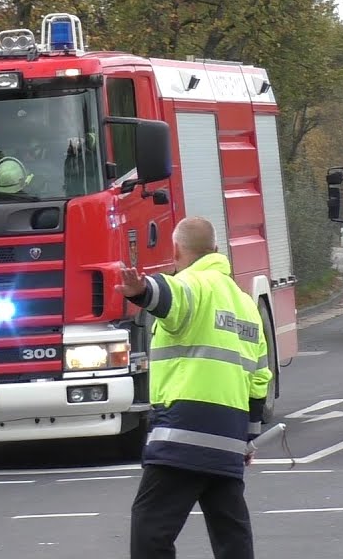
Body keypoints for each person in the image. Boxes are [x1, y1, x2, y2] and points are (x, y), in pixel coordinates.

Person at [117, 216, 272, 559]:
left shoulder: (194, 285)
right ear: (216, 250)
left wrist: (141, 291)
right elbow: (260, 377)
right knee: (231, 535)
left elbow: (168, 295)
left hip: (183, 436)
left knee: (150, 531)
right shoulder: (245, 304)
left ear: (175, 250)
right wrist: (247, 437)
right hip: (228, 439)